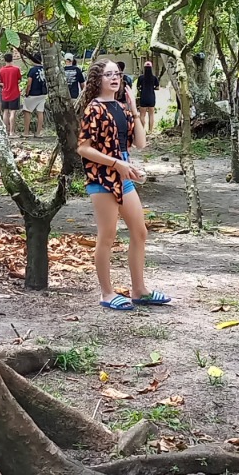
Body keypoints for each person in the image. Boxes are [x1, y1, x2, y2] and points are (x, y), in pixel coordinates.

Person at [77, 60, 168, 311]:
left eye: (117, 74)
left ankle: (139, 290)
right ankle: (107, 293)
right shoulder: (93, 109)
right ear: (98, 80)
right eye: (108, 75)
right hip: (101, 179)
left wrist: (135, 110)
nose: (115, 78)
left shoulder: (122, 108)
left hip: (124, 180)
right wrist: (116, 164)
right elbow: (83, 148)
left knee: (140, 232)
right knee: (107, 236)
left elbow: (140, 143)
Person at [21, 58, 49, 136]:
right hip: (43, 94)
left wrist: (27, 93)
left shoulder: (32, 70)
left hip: (33, 94)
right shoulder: (45, 69)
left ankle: (26, 132)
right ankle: (38, 132)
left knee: (27, 111)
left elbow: (29, 83)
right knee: (40, 112)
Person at [0, 53, 22, 134]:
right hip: (14, 93)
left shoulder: (1, 70)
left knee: (5, 112)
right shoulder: (16, 69)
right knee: (12, 112)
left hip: (5, 93)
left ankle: (5, 131)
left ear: (4, 60)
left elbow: (1, 81)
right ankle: (12, 132)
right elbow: (19, 80)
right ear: (12, 59)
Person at [135, 61, 159, 134]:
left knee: (142, 115)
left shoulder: (141, 77)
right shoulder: (154, 78)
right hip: (151, 97)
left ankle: (142, 130)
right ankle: (150, 130)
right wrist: (153, 88)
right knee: (151, 115)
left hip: (143, 97)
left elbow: (138, 87)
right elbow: (157, 87)